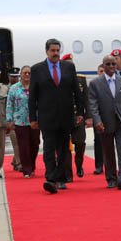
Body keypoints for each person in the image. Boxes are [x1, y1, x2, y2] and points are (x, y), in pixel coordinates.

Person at [28, 39, 85, 193]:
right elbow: (32, 96)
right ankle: (50, 178)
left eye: (57, 51)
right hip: (47, 117)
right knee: (48, 148)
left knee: (63, 150)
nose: (55, 53)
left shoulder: (68, 67)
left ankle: (60, 178)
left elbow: (77, 92)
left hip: (65, 116)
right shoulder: (37, 69)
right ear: (47, 51)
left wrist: (80, 112)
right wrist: (32, 118)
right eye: (52, 51)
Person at [88, 54, 121, 189]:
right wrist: (97, 121)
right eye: (108, 64)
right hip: (105, 123)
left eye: (113, 64)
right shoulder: (95, 83)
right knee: (108, 152)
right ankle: (111, 178)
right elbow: (93, 105)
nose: (111, 67)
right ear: (103, 66)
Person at [6, 65, 39, 178]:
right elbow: (9, 105)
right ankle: (26, 169)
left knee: (35, 144)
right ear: (20, 74)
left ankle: (32, 165)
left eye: (29, 73)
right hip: (20, 122)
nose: (27, 75)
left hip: (35, 121)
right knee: (23, 146)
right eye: (24, 73)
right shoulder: (14, 88)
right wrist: (9, 120)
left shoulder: (36, 87)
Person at [61, 54, 90, 180]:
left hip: (78, 118)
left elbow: (86, 100)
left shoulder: (81, 80)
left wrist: (88, 117)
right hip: (64, 118)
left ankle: (79, 165)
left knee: (80, 144)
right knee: (65, 147)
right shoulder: (58, 79)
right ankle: (68, 174)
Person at [6, 67, 23, 172]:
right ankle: (19, 163)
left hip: (22, 119)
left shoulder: (22, 88)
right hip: (11, 119)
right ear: (8, 77)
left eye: (16, 77)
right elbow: (6, 106)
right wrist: (7, 120)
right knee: (16, 143)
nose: (15, 79)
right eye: (12, 76)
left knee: (22, 143)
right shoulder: (4, 89)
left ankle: (15, 160)